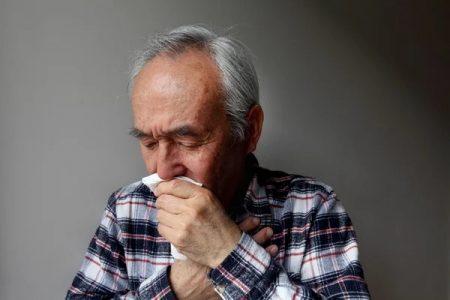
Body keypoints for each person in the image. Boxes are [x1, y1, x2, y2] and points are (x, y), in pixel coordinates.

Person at [66, 25, 370, 299]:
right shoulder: (127, 209)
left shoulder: (310, 208)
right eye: (148, 142)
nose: (162, 169)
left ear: (250, 131)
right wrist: (177, 289)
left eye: (188, 140)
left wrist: (228, 254)